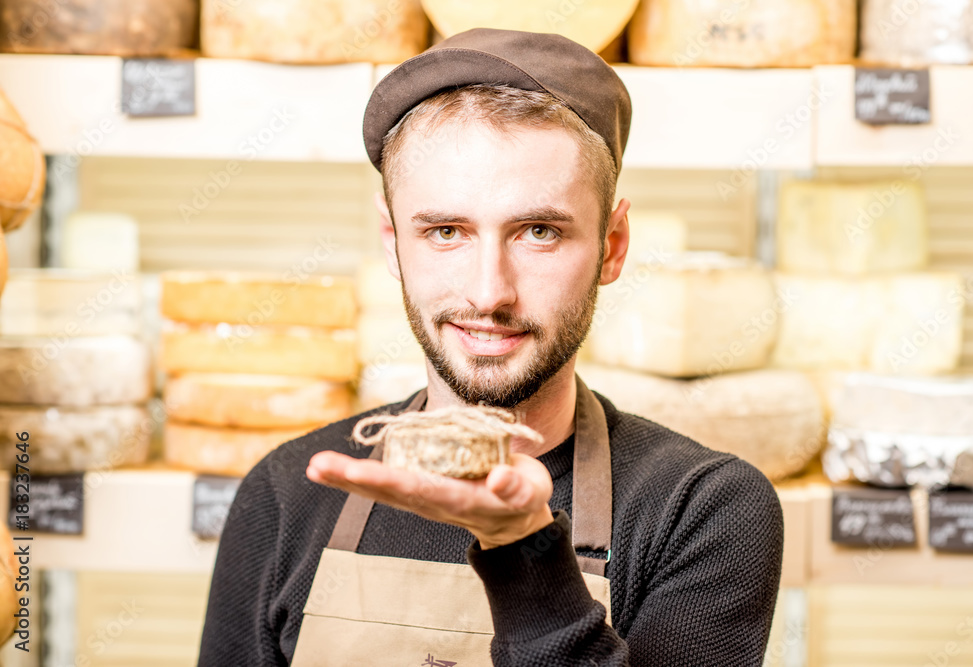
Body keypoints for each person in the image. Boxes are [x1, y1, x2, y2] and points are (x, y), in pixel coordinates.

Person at [198, 27, 783, 667]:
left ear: (612, 246)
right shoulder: (287, 493)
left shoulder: (703, 510)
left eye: (539, 231)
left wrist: (524, 547)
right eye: (446, 231)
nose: (488, 293)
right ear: (393, 243)